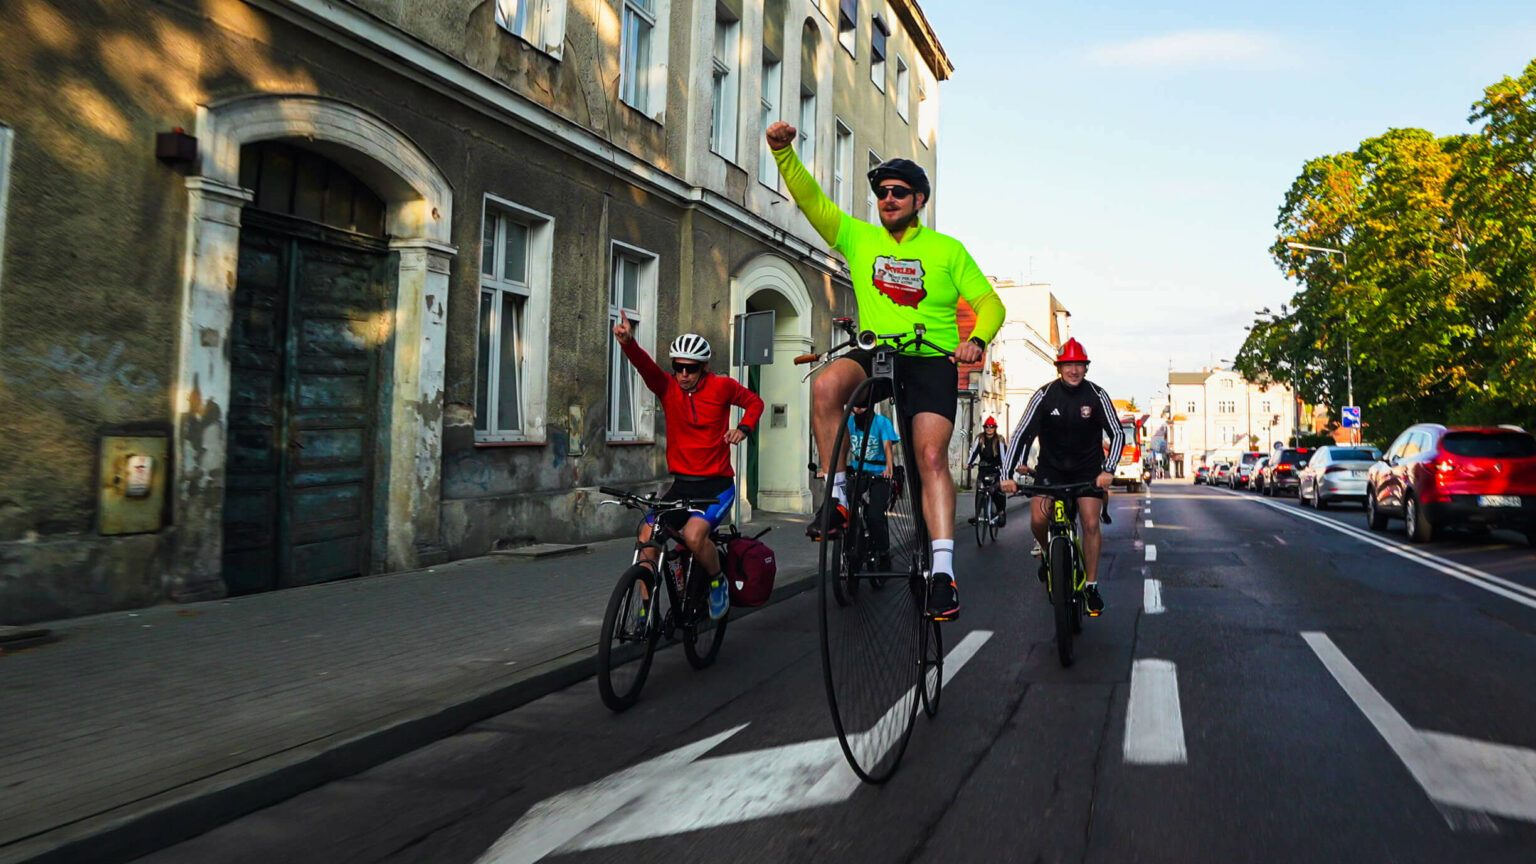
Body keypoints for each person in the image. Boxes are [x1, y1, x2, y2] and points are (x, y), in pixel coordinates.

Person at [767, 121, 1004, 621]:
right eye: (881, 193)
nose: (888, 199)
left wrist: (976, 339)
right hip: (879, 352)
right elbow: (815, 205)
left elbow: (989, 303)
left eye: (898, 192)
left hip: (930, 358)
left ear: (919, 200)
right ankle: (838, 498)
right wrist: (782, 152)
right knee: (827, 385)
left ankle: (942, 572)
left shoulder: (947, 251)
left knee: (931, 455)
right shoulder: (859, 237)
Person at [613, 315, 764, 620]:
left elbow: (755, 403)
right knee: (647, 534)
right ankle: (646, 610)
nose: (682, 374)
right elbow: (646, 367)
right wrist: (628, 342)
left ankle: (716, 580)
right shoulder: (668, 388)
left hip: (716, 486)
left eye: (690, 369)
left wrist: (743, 429)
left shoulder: (722, 387)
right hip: (682, 484)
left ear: (703, 367)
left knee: (695, 537)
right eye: (678, 367)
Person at [999, 338, 1122, 616]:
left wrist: (1108, 470)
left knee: (1090, 523)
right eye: (1068, 365)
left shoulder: (1097, 395)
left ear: (1086, 368)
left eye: (1079, 365)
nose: (1074, 370)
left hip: (1088, 471)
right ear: (1059, 368)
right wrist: (1007, 474)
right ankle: (1046, 550)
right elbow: (1021, 434)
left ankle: (1091, 586)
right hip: (1051, 470)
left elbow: (1117, 433)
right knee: (1038, 519)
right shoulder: (1044, 395)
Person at [846, 402, 900, 570]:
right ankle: (853, 544)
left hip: (879, 472)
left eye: (862, 406)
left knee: (875, 515)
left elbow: (887, 445)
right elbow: (841, 445)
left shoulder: (881, 422)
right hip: (858, 471)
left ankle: (883, 552)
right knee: (847, 509)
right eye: (855, 407)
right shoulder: (849, 422)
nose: (859, 409)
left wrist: (889, 467)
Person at [966, 417, 1007, 527]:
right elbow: (974, 451)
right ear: (984, 428)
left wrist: (1004, 466)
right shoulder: (980, 438)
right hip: (983, 468)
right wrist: (968, 463)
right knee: (979, 491)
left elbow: (1004, 454)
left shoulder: (999, 439)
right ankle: (977, 515)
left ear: (995, 428)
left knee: (996, 490)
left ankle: (1001, 512)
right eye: (987, 427)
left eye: (991, 427)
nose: (989, 429)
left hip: (996, 469)